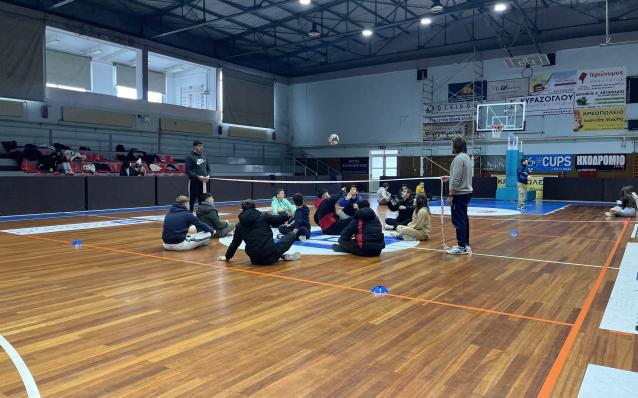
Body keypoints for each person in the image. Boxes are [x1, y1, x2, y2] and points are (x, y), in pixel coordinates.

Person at [218, 199, 301, 265]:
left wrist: (227, 257)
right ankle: (280, 255)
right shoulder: (263, 217)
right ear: (254, 207)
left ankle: (280, 256)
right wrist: (281, 211)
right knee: (292, 234)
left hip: (255, 260)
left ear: (243, 209)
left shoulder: (239, 226)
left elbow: (235, 244)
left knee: (266, 248)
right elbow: (283, 218)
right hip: (270, 256)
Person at [442, 135, 473, 255]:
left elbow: (456, 179)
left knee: (458, 220)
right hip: (466, 193)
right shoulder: (466, 157)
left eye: (452, 144)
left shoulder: (459, 159)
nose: (451, 146)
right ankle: (465, 243)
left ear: (456, 146)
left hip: (459, 194)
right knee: (463, 218)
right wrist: (448, 177)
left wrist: (450, 195)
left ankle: (461, 246)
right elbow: (460, 176)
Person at [185, 140, 210, 212]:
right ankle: (189, 217)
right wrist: (198, 177)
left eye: (202, 146)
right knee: (192, 200)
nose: (201, 148)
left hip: (203, 183)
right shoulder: (189, 157)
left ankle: (201, 217)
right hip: (194, 182)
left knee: (202, 200)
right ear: (195, 147)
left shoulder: (205, 157)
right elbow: (188, 170)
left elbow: (208, 169)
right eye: (199, 146)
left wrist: (208, 176)